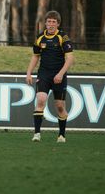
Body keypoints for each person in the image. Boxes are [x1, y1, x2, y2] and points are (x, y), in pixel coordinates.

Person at [26, 10, 74, 143]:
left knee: (59, 107)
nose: (51, 24)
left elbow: (70, 59)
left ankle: (61, 135)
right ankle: (36, 134)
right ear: (45, 23)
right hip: (44, 74)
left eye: (54, 22)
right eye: (49, 22)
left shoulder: (63, 37)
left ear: (58, 24)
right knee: (40, 100)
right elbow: (35, 56)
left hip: (59, 75)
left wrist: (60, 74)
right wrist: (29, 72)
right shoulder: (40, 37)